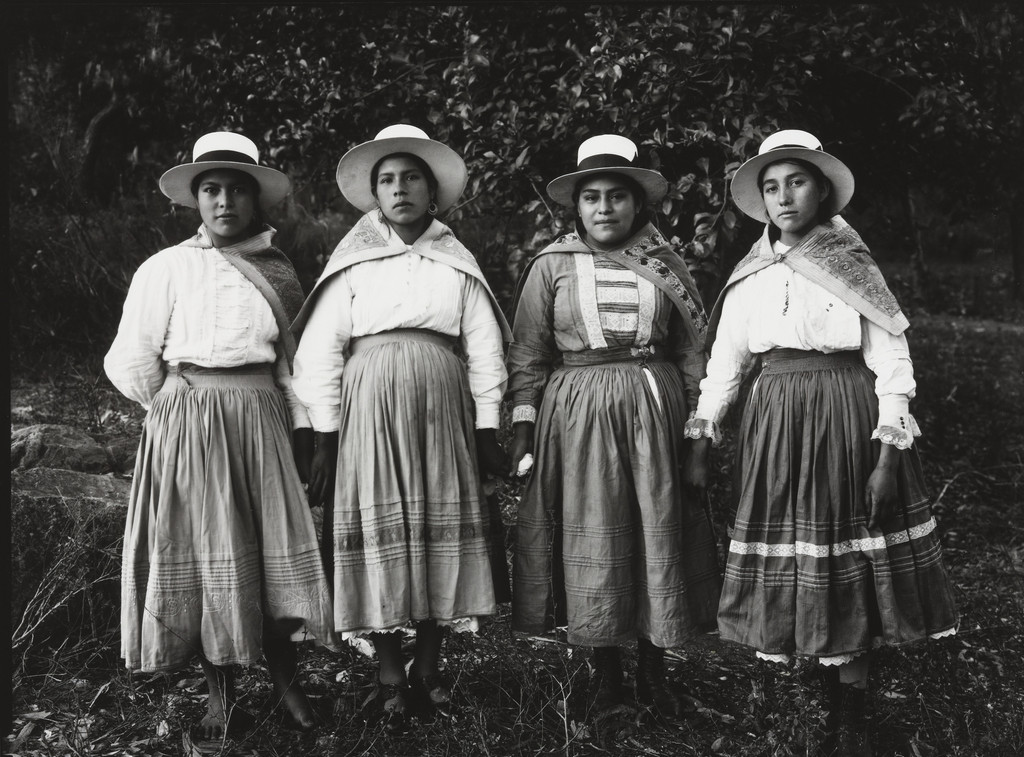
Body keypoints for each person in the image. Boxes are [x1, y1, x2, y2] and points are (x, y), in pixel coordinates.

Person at [685, 129, 959, 756]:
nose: (784, 196)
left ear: (824, 189)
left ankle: (854, 706)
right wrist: (703, 434)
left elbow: (890, 360)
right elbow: (726, 363)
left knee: (846, 543)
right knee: (801, 544)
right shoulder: (752, 272)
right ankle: (818, 661)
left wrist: (889, 455)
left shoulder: (851, 263)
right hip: (776, 421)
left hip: (844, 414)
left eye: (797, 181)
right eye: (771, 186)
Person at [104, 131, 336, 739]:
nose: (225, 201)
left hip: (261, 416)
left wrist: (306, 432)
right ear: (195, 199)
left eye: (238, 190)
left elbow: (292, 365)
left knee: (271, 553)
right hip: (194, 423)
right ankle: (219, 693)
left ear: (257, 199)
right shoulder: (169, 266)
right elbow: (129, 356)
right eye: (212, 189)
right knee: (213, 552)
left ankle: (286, 679)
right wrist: (165, 397)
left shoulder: (278, 271)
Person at [291, 124, 511, 725]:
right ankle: (390, 670)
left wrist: (488, 426)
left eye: (411, 177)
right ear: (374, 194)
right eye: (387, 180)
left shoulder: (456, 261)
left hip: (442, 410)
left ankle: (430, 665)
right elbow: (320, 353)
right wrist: (324, 436)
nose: (399, 188)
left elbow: (486, 347)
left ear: (432, 189)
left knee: (438, 527)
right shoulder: (353, 263)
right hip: (368, 412)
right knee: (379, 529)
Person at [506, 134, 721, 722]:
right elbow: (528, 352)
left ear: (638, 204)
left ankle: (655, 673)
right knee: (593, 532)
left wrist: (698, 433)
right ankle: (606, 679)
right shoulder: (552, 266)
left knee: (657, 531)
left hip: (656, 413)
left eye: (618, 196)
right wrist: (524, 429)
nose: (605, 209)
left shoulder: (666, 267)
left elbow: (692, 353)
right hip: (577, 416)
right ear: (576, 206)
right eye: (592, 197)